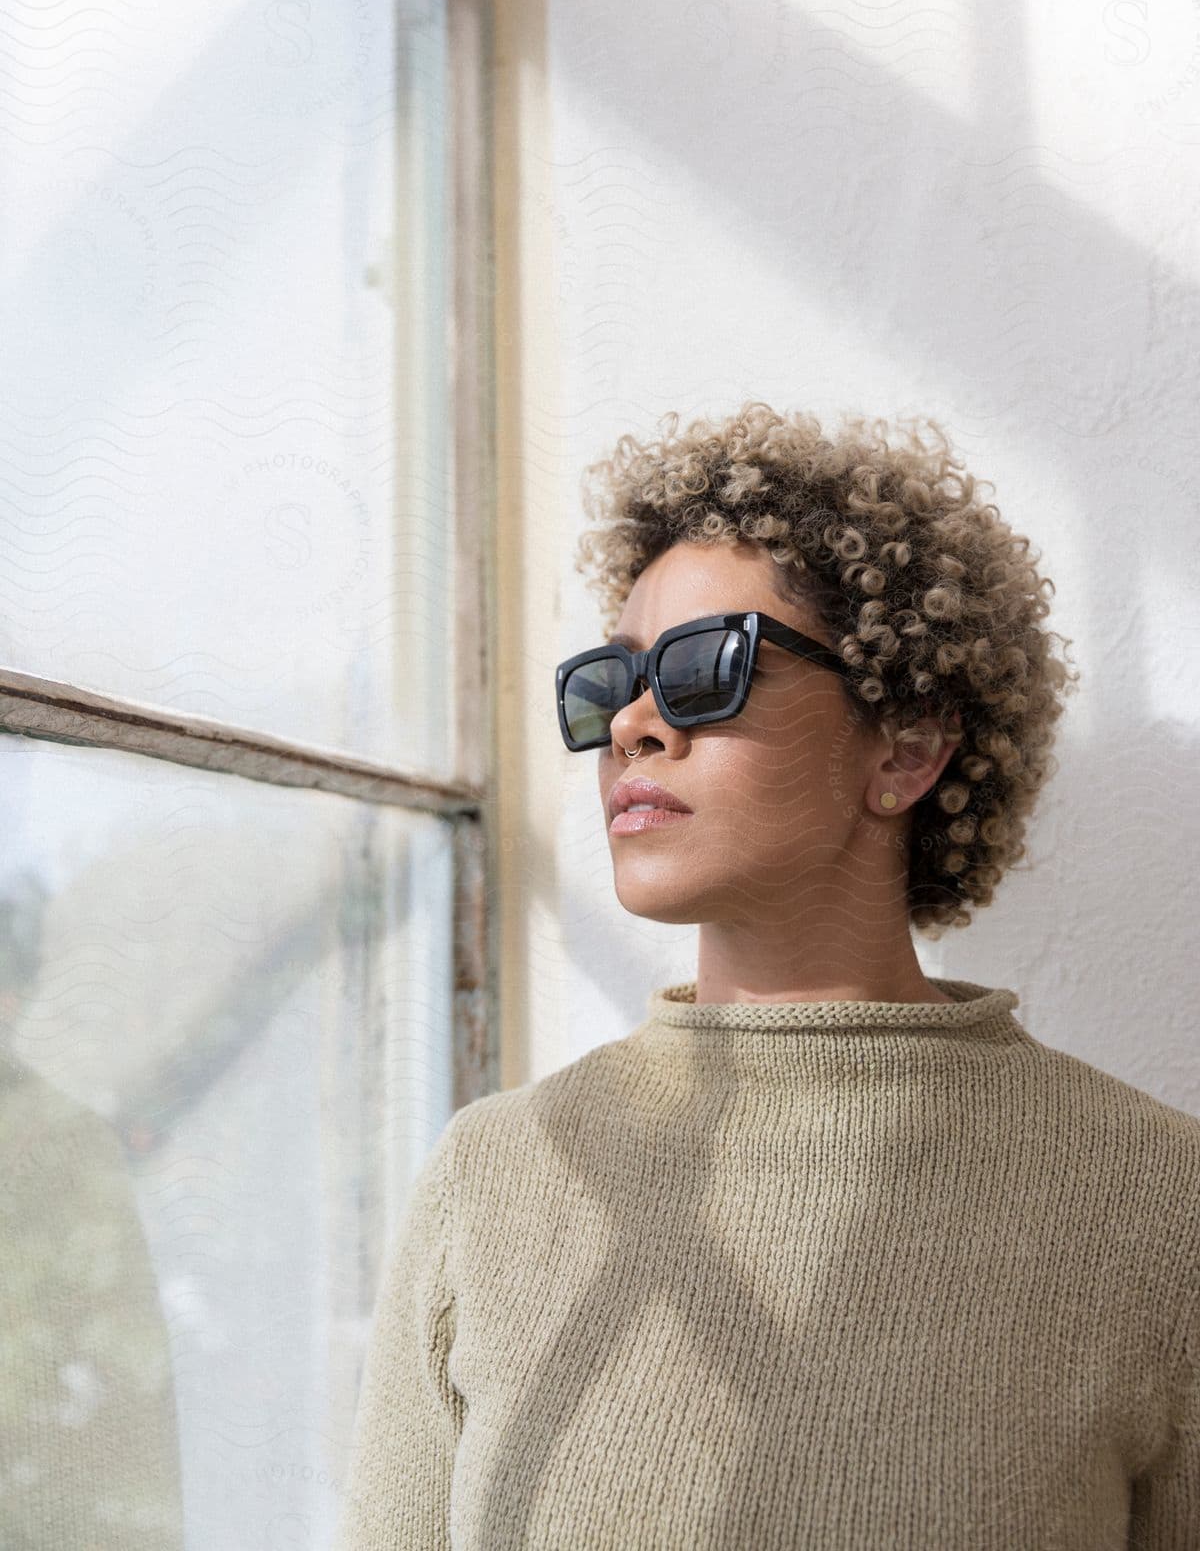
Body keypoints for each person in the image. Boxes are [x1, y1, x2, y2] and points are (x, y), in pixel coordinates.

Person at [336, 401, 1200, 1548]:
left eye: (704, 671)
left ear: (905, 749)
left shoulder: (1155, 1203)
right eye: (612, 684)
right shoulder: (492, 1179)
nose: (635, 726)